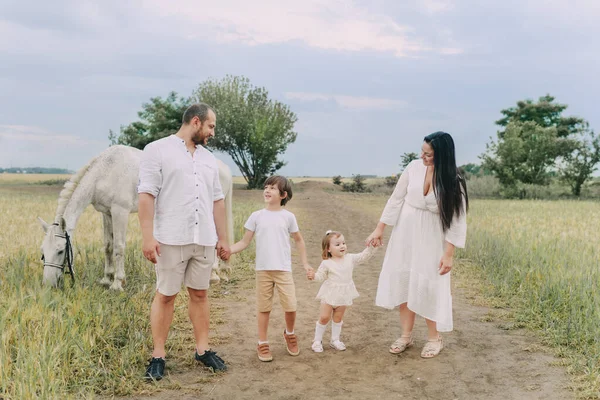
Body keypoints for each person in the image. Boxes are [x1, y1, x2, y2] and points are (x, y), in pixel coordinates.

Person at [138, 103, 230, 380]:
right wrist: (147, 236)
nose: (213, 132)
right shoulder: (157, 150)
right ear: (195, 122)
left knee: (200, 294)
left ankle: (202, 350)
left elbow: (217, 201)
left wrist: (222, 238)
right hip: (170, 238)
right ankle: (158, 356)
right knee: (166, 295)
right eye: (211, 126)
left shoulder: (208, 159)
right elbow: (146, 195)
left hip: (203, 239)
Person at [366, 131, 468, 358]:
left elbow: (457, 220)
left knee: (428, 284)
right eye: (422, 152)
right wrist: (380, 228)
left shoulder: (453, 180)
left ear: (442, 155)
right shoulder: (413, 167)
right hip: (405, 232)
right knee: (405, 280)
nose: (423, 157)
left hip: (432, 236)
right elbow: (396, 198)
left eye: (429, 154)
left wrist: (449, 254)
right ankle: (405, 335)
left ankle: (434, 338)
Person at [229, 175, 312, 362]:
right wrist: (228, 250)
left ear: (283, 194)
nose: (267, 190)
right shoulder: (256, 216)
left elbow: (298, 240)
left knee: (291, 306)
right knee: (263, 308)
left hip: (283, 269)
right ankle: (262, 343)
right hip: (263, 270)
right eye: (266, 187)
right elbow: (244, 242)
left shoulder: (288, 217)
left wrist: (305, 263)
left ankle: (289, 333)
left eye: (273, 188)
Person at [307, 230, 377, 352]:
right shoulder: (326, 263)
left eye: (343, 243)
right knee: (324, 317)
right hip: (329, 294)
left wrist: (371, 248)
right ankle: (317, 341)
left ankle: (335, 340)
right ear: (328, 249)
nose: (342, 246)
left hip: (343, 294)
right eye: (337, 244)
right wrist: (313, 276)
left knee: (338, 318)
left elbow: (363, 256)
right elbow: (320, 276)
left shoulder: (350, 258)